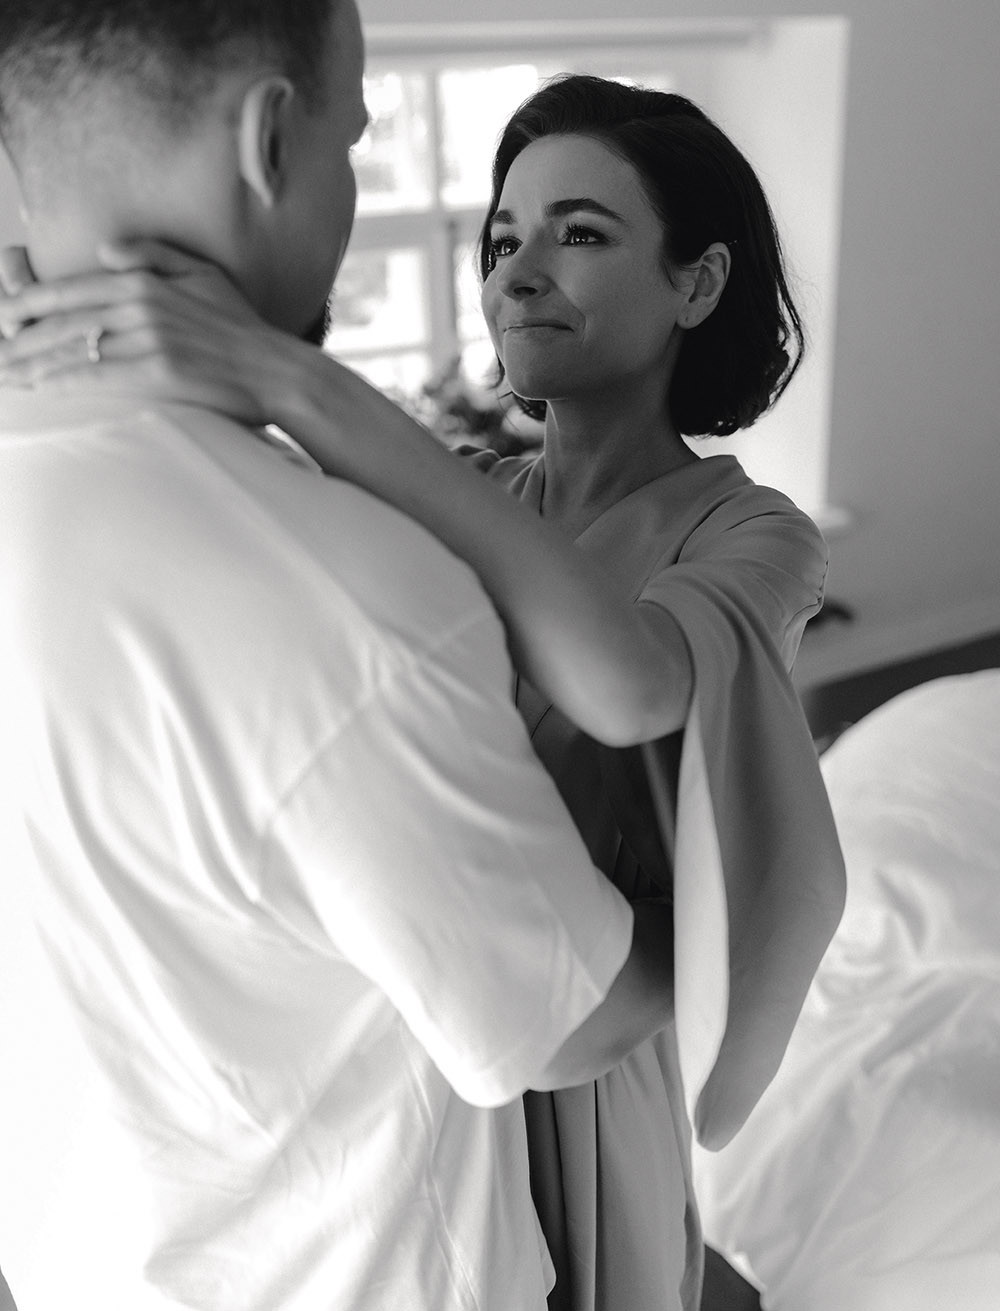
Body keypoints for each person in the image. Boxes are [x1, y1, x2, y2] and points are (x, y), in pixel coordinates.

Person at [0, 64, 847, 1311]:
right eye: (502, 241)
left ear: (697, 283)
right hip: (432, 1027)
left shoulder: (756, 535)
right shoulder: (467, 493)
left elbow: (638, 676)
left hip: (594, 1047)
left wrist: (293, 377)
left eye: (579, 234)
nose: (517, 273)